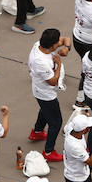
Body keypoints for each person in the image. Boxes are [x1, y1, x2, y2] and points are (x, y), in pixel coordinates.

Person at [27, 29, 70, 161]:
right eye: (57, 43)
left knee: (45, 110)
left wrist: (67, 48)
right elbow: (52, 81)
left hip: (40, 90)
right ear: (52, 46)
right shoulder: (41, 61)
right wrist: (59, 64)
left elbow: (66, 38)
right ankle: (48, 151)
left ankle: (37, 132)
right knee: (56, 122)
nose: (60, 43)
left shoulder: (39, 44)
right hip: (45, 93)